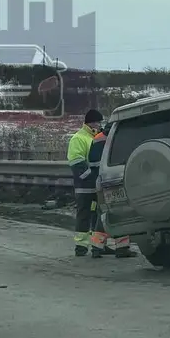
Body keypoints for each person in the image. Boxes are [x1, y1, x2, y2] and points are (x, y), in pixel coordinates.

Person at [88, 126, 137, 259]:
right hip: (120, 178)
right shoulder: (123, 136)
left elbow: (92, 163)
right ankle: (121, 248)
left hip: (102, 180)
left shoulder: (98, 138)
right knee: (122, 211)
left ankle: (97, 247)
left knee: (103, 212)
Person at [67, 109, 103, 256]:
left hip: (95, 185)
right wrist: (92, 175)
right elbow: (77, 164)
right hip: (85, 186)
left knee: (98, 215)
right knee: (84, 215)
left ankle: (97, 246)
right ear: (91, 123)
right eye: (98, 122)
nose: (100, 125)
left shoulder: (95, 138)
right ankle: (81, 246)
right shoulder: (79, 138)